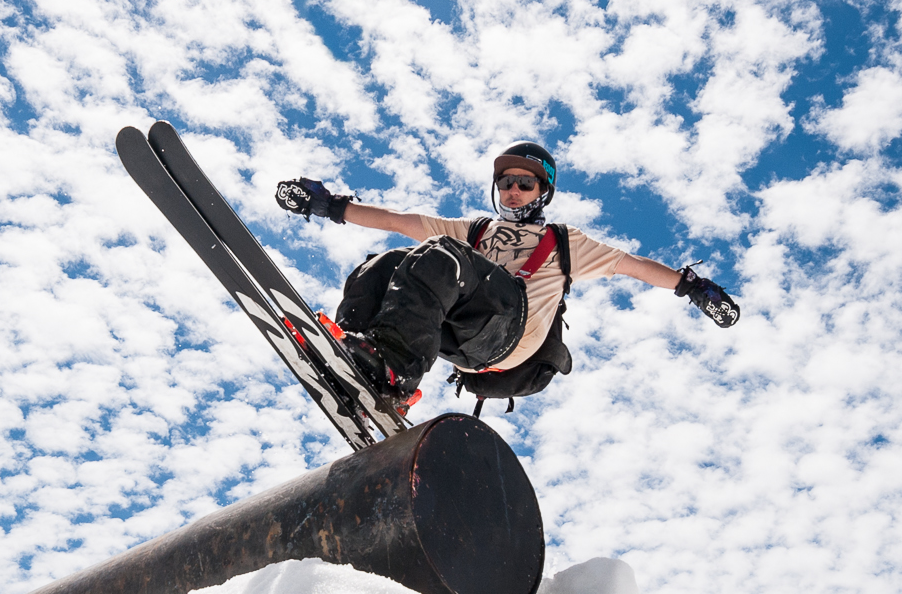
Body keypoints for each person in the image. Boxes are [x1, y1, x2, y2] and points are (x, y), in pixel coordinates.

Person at [277, 143, 740, 412]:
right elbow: (400, 219)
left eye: (524, 184)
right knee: (391, 261)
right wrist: (329, 206)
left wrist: (691, 287)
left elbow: (632, 267)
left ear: (543, 192)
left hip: (508, 332)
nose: (513, 191)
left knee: (443, 255)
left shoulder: (563, 241)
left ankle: (394, 368)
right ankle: (355, 348)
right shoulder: (476, 231)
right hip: (461, 338)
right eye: (506, 183)